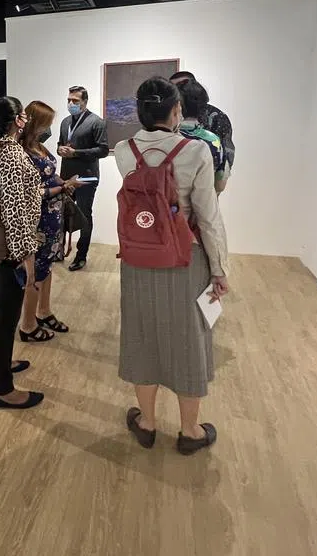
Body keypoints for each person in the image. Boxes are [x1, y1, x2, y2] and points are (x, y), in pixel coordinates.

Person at [115, 76, 230, 455]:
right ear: (176, 110)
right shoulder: (196, 151)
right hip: (184, 258)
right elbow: (208, 217)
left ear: (140, 112)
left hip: (137, 257)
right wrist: (219, 269)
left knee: (141, 334)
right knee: (189, 338)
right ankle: (189, 430)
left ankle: (147, 422)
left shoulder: (124, 151)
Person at [0, 96, 46, 409]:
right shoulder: (12, 155)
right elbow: (14, 209)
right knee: (7, 316)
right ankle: (3, 389)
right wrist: (25, 255)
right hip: (10, 247)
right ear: (19, 120)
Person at [15, 101, 82, 341]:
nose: (49, 129)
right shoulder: (21, 153)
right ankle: (27, 325)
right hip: (37, 221)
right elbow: (30, 193)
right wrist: (62, 187)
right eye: (46, 124)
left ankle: (43, 311)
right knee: (33, 274)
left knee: (47, 267)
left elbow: (49, 176)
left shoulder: (39, 147)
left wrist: (64, 182)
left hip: (52, 218)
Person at [57, 85, 109, 271]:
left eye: (75, 101)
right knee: (62, 214)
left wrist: (76, 153)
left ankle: (81, 256)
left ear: (85, 102)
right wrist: (60, 150)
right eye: (69, 100)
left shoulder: (97, 122)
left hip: (87, 178)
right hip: (66, 177)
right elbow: (60, 144)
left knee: (84, 215)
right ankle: (58, 251)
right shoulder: (65, 122)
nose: (71, 104)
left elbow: (103, 150)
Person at [169, 71, 234, 175]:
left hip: (208, 175)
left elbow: (227, 155)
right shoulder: (169, 114)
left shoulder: (216, 116)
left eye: (181, 85)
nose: (177, 91)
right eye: (172, 87)